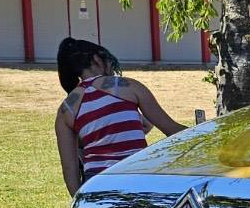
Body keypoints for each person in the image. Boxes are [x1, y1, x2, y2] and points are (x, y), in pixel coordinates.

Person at [54, 37, 186, 195]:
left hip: (96, 186)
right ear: (97, 59)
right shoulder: (129, 87)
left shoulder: (66, 109)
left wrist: (80, 201)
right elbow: (172, 130)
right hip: (136, 179)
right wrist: (208, 135)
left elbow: (70, 167)